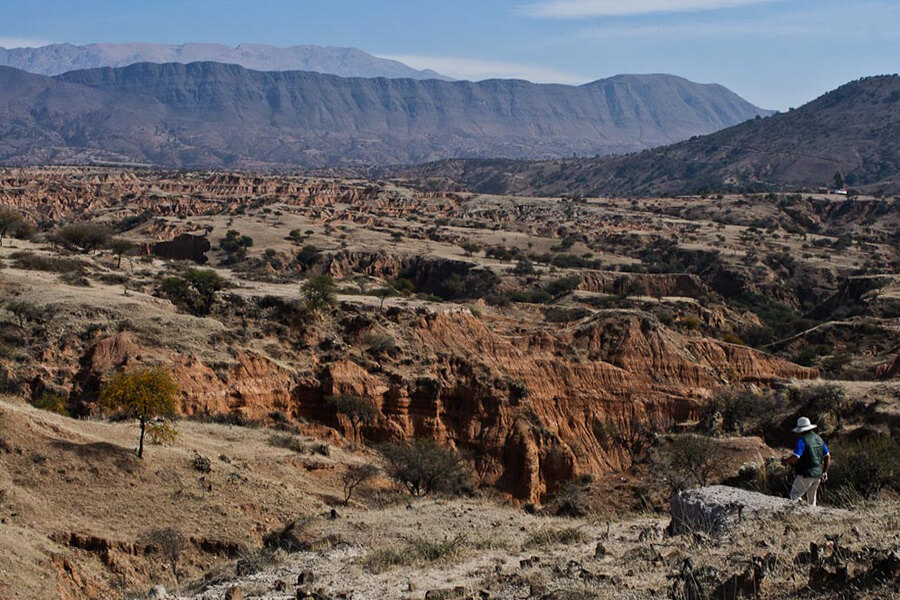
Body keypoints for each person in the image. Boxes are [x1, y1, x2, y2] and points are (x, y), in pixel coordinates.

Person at [781, 416, 830, 506]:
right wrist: (825, 471)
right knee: (812, 499)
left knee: (794, 495)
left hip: (806, 473)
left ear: (801, 430)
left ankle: (797, 516)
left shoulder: (802, 440)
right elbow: (827, 456)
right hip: (818, 474)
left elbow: (796, 456)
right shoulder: (819, 439)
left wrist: (785, 461)